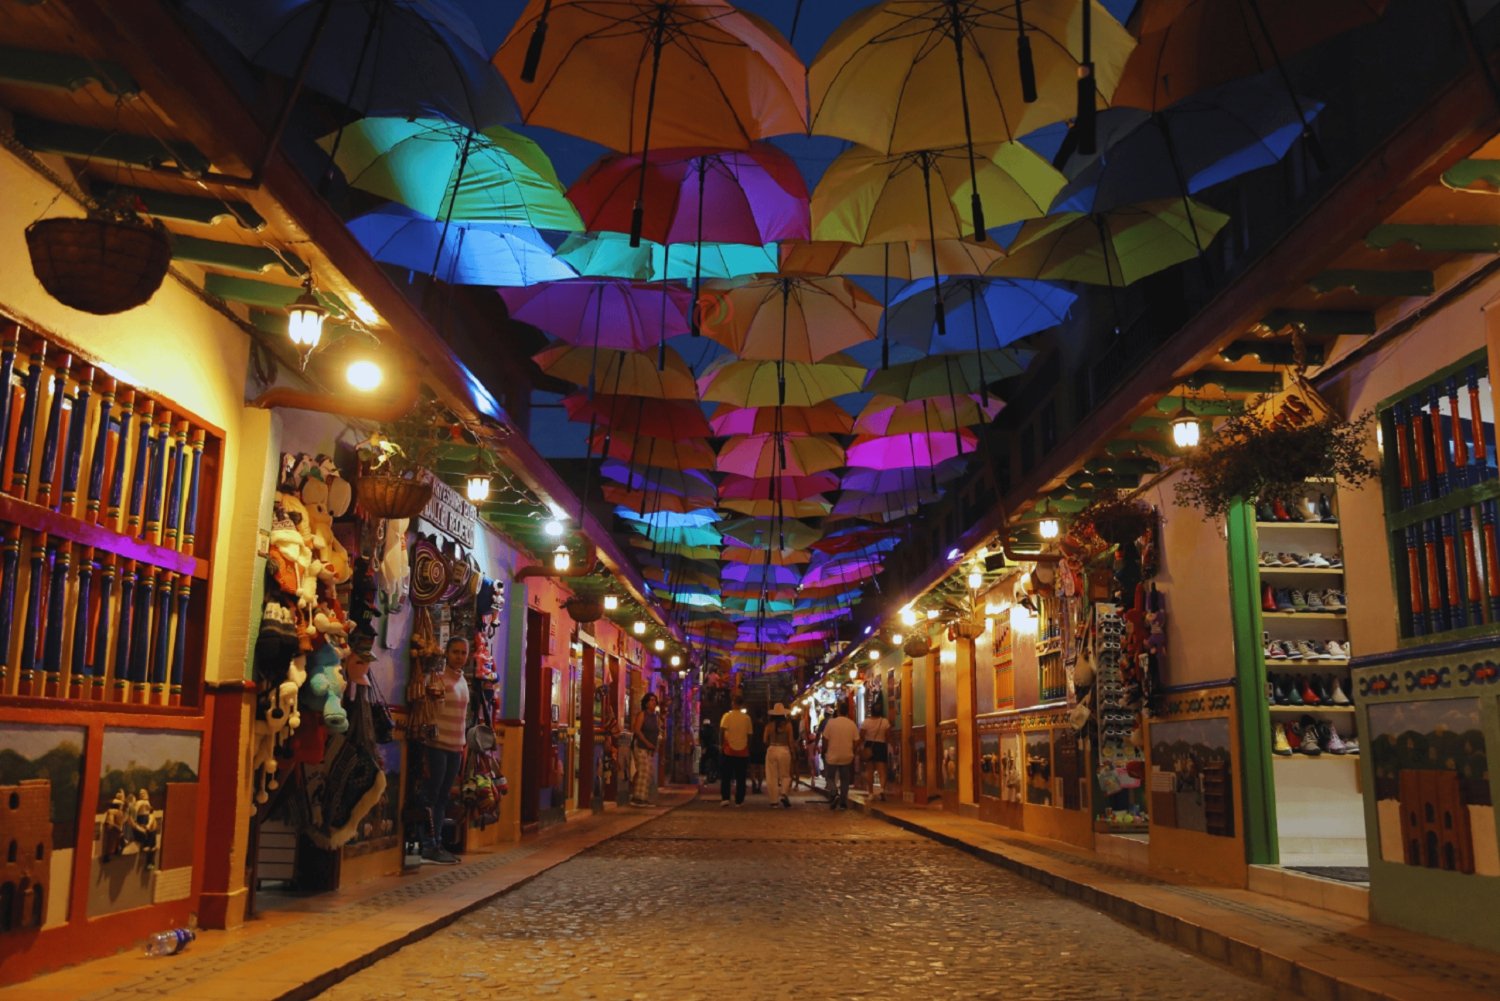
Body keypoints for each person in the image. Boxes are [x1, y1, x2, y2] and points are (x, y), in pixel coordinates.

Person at [413, 636, 470, 864]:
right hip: (437, 745)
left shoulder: (463, 680)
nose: (459, 656)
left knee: (444, 797)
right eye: (455, 651)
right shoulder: (438, 678)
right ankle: (428, 843)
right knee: (432, 794)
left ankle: (437, 841)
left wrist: (463, 745)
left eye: (463, 653)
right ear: (447, 653)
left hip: (455, 746)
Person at [821, 702, 860, 810]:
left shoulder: (831, 723)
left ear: (838, 711)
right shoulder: (851, 724)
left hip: (832, 754)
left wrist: (824, 751)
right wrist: (852, 750)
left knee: (829, 776)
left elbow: (825, 739)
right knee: (845, 779)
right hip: (846, 755)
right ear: (847, 711)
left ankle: (834, 792)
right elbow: (857, 740)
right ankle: (843, 802)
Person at [719, 692, 753, 807]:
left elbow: (722, 731)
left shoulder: (727, 716)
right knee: (741, 777)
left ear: (733, 703)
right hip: (743, 750)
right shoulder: (746, 718)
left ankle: (725, 798)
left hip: (728, 749)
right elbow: (749, 734)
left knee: (726, 776)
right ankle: (739, 799)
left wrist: (721, 745)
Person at [763, 703, 797, 808]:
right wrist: (793, 752)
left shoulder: (769, 725)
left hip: (772, 749)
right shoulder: (788, 725)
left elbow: (764, 740)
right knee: (785, 774)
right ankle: (784, 793)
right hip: (784, 750)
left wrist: (771, 743)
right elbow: (791, 740)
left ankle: (774, 801)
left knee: (771, 776)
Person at [630, 693, 660, 806]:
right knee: (644, 770)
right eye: (651, 700)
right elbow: (637, 730)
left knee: (648, 772)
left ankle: (642, 796)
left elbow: (657, 732)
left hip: (650, 749)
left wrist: (654, 746)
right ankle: (638, 798)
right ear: (646, 703)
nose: (653, 702)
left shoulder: (655, 716)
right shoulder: (642, 715)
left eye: (655, 700)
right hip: (641, 746)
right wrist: (647, 743)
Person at [859, 703, 891, 800]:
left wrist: (860, 746)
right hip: (881, 745)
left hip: (869, 746)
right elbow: (888, 736)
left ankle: (871, 793)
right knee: (882, 770)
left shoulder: (866, 722)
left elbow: (862, 735)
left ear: (871, 711)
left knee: (870, 770)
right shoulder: (885, 722)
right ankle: (881, 789)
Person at [748, 709, 767, 795]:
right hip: (762, 748)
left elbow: (750, 736)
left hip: (753, 748)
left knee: (752, 767)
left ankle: (753, 782)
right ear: (762, 716)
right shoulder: (764, 726)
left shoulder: (752, 725)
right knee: (761, 768)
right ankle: (759, 786)